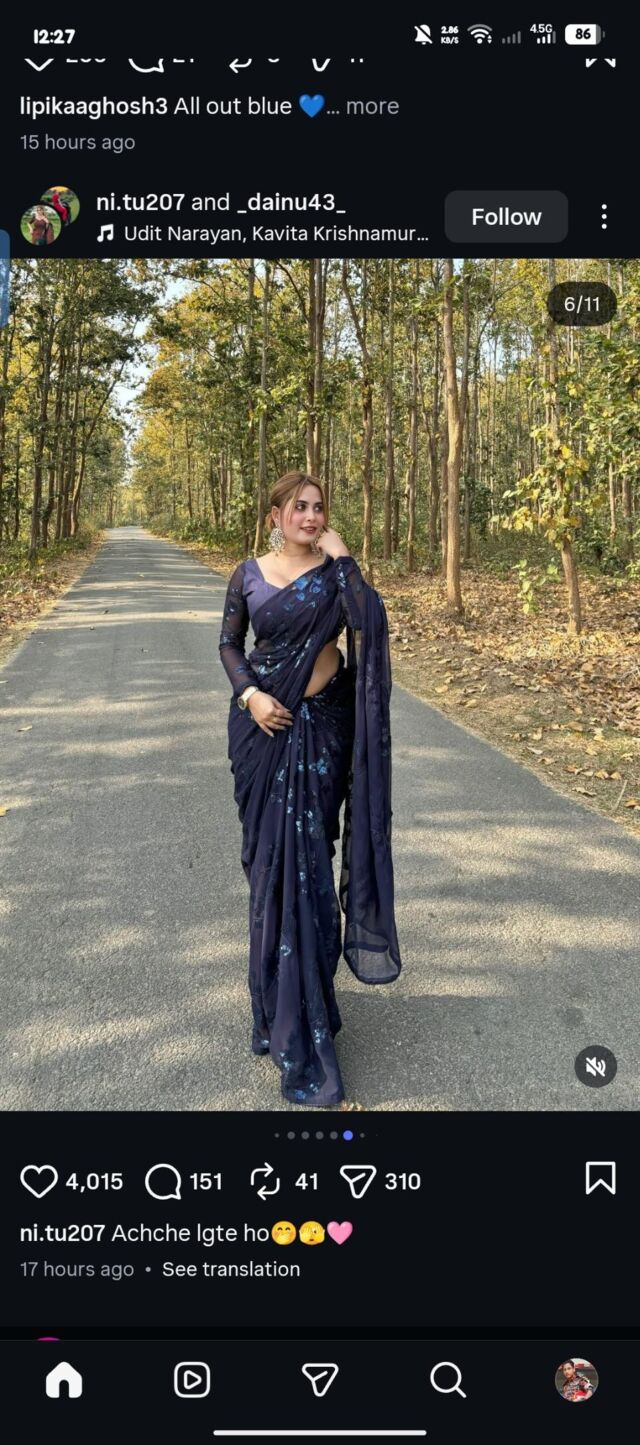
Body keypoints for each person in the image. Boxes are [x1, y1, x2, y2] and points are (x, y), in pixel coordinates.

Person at [218, 471, 401, 1106]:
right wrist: (250, 694)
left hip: (322, 732)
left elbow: (369, 622)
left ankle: (310, 1013)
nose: (311, 516)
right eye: (299, 507)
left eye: (319, 507)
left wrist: (345, 558)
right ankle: (276, 1010)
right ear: (275, 515)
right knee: (270, 871)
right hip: (261, 732)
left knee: (311, 868)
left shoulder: (334, 575)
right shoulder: (247, 575)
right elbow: (228, 643)